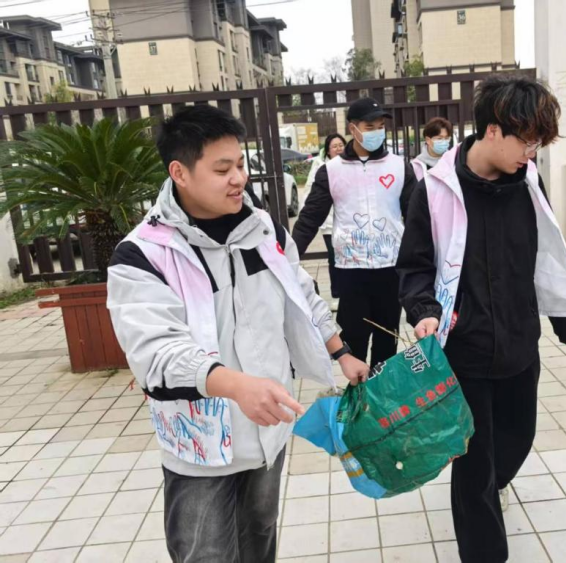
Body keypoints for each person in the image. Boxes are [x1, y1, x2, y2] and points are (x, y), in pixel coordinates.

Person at [106, 105, 370, 563]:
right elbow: (155, 353)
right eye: (222, 169)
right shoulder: (144, 254)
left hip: (267, 430)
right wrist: (234, 385)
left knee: (259, 539)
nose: (239, 179)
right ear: (179, 173)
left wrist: (341, 352)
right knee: (205, 553)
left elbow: (302, 295)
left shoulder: (264, 229)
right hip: (201, 447)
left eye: (241, 165)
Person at [396, 76, 566, 563]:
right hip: (465, 350)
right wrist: (424, 312)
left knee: (517, 440)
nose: (532, 153)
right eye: (527, 141)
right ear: (494, 130)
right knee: (474, 466)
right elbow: (414, 266)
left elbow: (547, 256)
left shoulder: (528, 184)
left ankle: (487, 489)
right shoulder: (435, 190)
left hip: (520, 344)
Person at [292, 97, 417, 367]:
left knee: (387, 341)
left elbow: (416, 217)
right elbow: (309, 219)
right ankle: (358, 392)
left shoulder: (399, 167)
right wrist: (287, 258)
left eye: (380, 126)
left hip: (390, 269)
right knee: (353, 341)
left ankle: (382, 393)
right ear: (353, 128)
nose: (377, 132)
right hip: (351, 271)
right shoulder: (331, 171)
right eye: (369, 127)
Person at [302, 133, 346, 301]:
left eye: (341, 145)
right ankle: (336, 294)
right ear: (328, 150)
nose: (338, 149)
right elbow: (309, 189)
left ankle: (348, 292)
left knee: (347, 256)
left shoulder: (351, 164)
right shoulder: (320, 166)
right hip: (328, 221)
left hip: (347, 220)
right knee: (334, 256)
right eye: (334, 146)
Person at [412, 116, 453, 181]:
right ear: (428, 140)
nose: (444, 142)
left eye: (446, 138)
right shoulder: (416, 166)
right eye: (439, 138)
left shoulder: (454, 161)